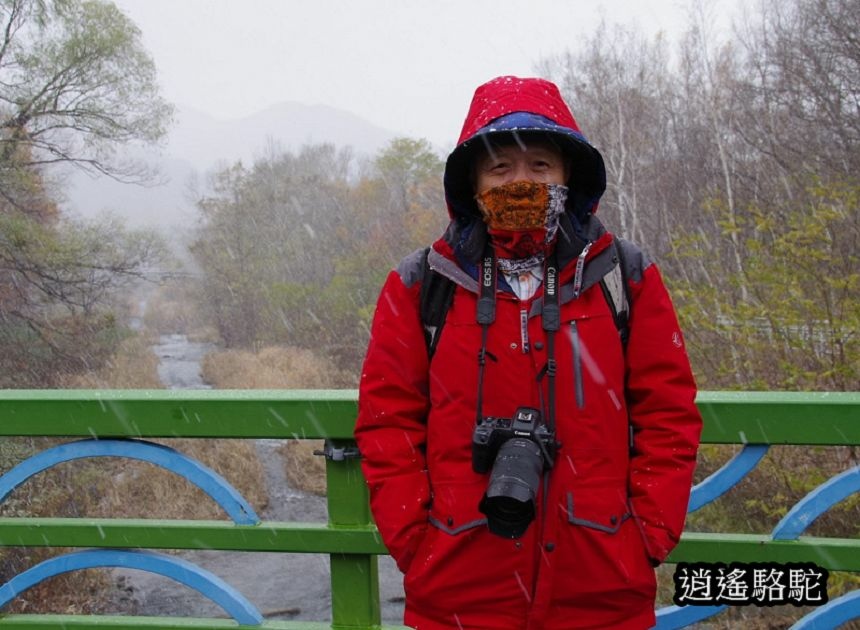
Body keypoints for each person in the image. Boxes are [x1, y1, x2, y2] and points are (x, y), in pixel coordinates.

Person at [354, 75, 702, 630]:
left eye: (540, 165)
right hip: (459, 589)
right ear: (472, 183)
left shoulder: (622, 277)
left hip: (602, 588)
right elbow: (386, 423)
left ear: (568, 175)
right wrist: (416, 543)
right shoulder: (424, 285)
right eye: (500, 168)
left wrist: (647, 537)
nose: (521, 182)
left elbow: (668, 414)